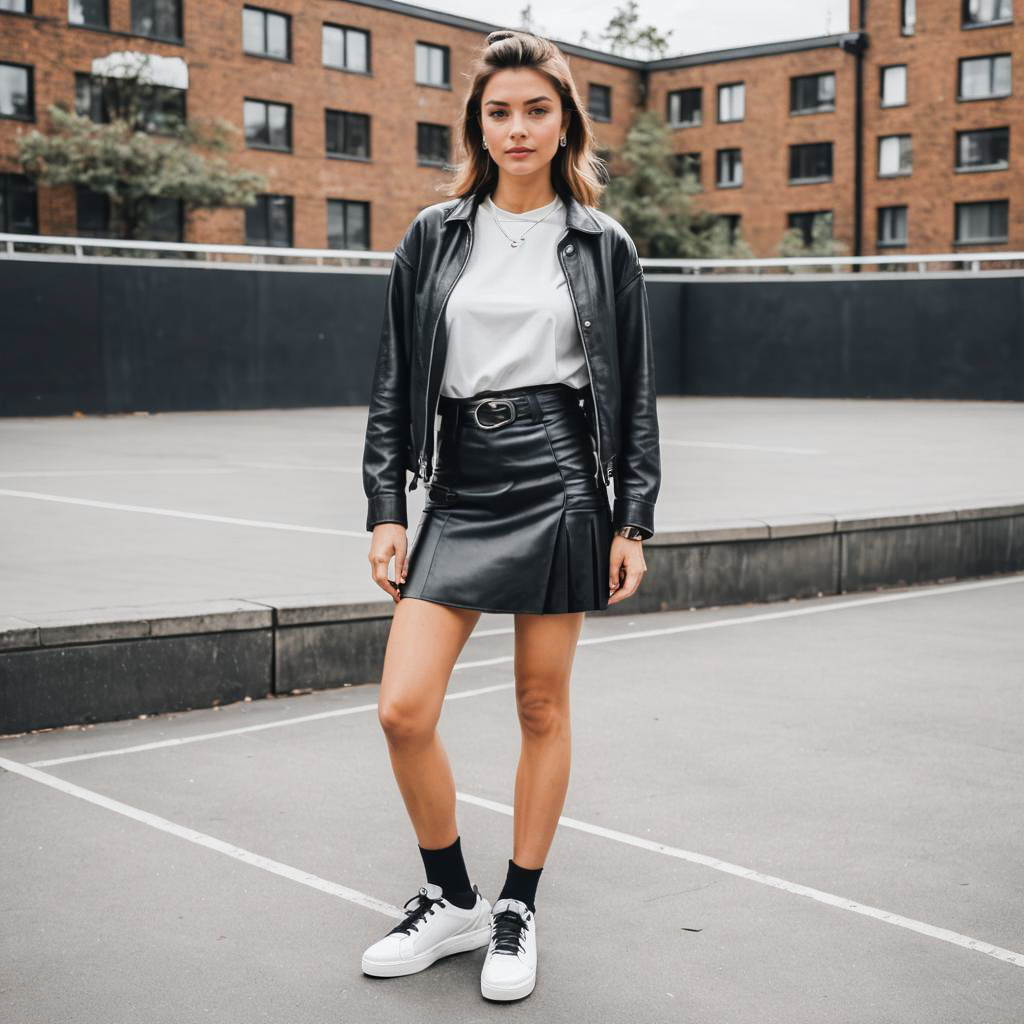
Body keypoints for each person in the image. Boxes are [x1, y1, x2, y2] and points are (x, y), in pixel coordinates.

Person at [359, 28, 660, 1002]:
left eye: (537, 109)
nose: (518, 127)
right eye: (499, 111)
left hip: (561, 472)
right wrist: (384, 505)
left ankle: (516, 905)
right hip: (459, 480)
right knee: (403, 707)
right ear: (476, 123)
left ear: (564, 118)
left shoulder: (600, 243)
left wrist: (634, 517)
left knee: (540, 703)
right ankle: (450, 898)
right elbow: (395, 380)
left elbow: (635, 392)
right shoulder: (433, 233)